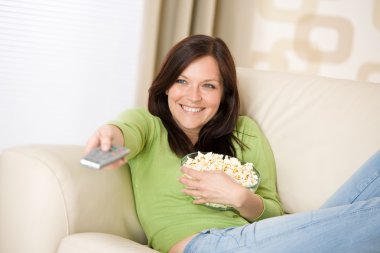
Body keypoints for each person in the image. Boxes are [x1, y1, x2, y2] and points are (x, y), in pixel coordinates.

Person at [85, 34, 380, 253]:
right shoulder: (149, 125)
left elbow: (273, 212)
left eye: (208, 86)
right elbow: (125, 131)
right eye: (182, 81)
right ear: (166, 87)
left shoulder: (245, 131)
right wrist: (109, 134)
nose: (193, 97)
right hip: (201, 246)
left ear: (225, 93)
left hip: (258, 241)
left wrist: (239, 197)